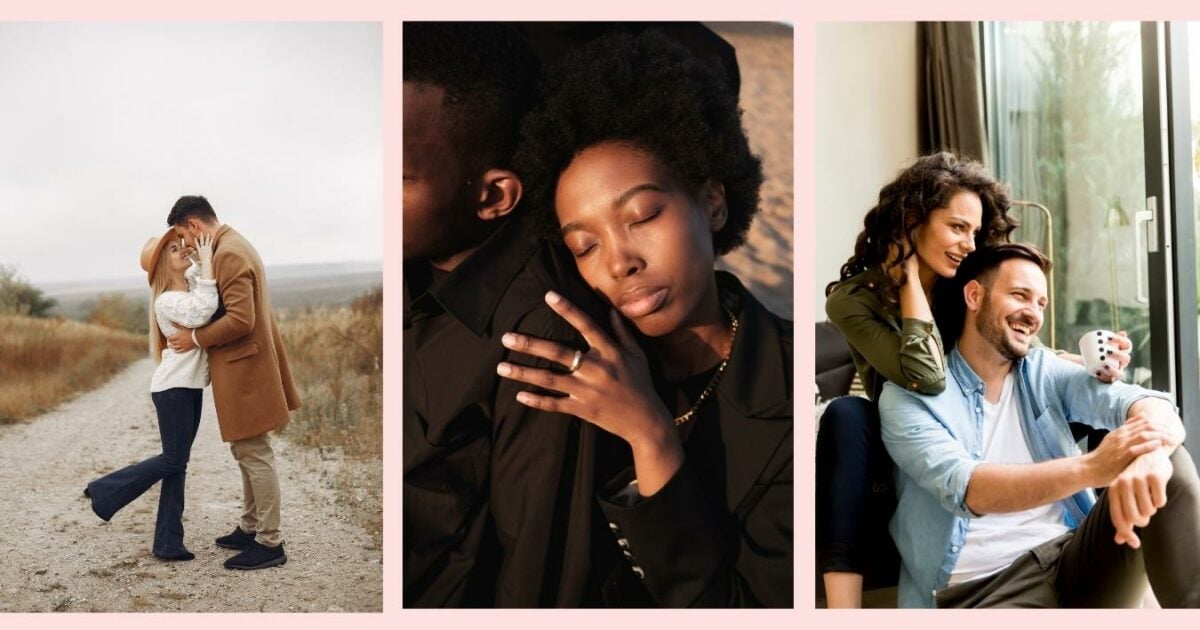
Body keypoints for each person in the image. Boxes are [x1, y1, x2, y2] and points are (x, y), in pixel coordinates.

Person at [502, 29, 792, 607]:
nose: (619, 262)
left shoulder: (793, 392)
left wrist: (650, 436)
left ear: (713, 202)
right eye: (584, 246)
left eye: (642, 216)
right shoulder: (582, 378)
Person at [817, 153, 1132, 607]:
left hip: (972, 408)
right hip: (910, 420)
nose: (969, 244)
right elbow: (925, 377)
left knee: (1095, 397)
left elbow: (1012, 347)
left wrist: (1079, 364)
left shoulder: (963, 280)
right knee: (846, 414)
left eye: (974, 231)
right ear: (912, 220)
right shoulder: (852, 300)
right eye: (957, 227)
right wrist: (909, 278)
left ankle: (1103, 553)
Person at [402, 22, 608, 607]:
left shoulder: (543, 334)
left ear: (493, 196)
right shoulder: (409, 265)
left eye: (397, 178)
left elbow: (539, 576)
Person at [879, 242, 1200, 608]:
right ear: (974, 296)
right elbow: (968, 488)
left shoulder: (1042, 370)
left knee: (1169, 462)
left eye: (1041, 304)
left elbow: (1147, 403)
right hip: (987, 587)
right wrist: (1094, 467)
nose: (1033, 313)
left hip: (1074, 560)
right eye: (1020, 296)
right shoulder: (910, 397)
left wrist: (1151, 455)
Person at [163, 195, 300, 570]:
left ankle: (270, 543)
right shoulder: (228, 247)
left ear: (194, 225)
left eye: (182, 235)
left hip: (246, 369)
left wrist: (195, 338)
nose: (184, 245)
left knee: (254, 452)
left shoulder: (229, 254)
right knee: (245, 450)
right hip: (244, 366)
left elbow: (241, 319)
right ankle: (251, 526)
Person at [85, 230, 217, 561]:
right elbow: (205, 309)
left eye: (179, 246)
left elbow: (197, 281)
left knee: (178, 464)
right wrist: (206, 262)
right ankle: (105, 491)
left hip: (187, 388)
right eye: (173, 250)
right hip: (173, 390)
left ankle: (168, 542)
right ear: (161, 266)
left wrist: (196, 255)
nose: (181, 251)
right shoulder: (168, 300)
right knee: (173, 459)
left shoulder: (186, 287)